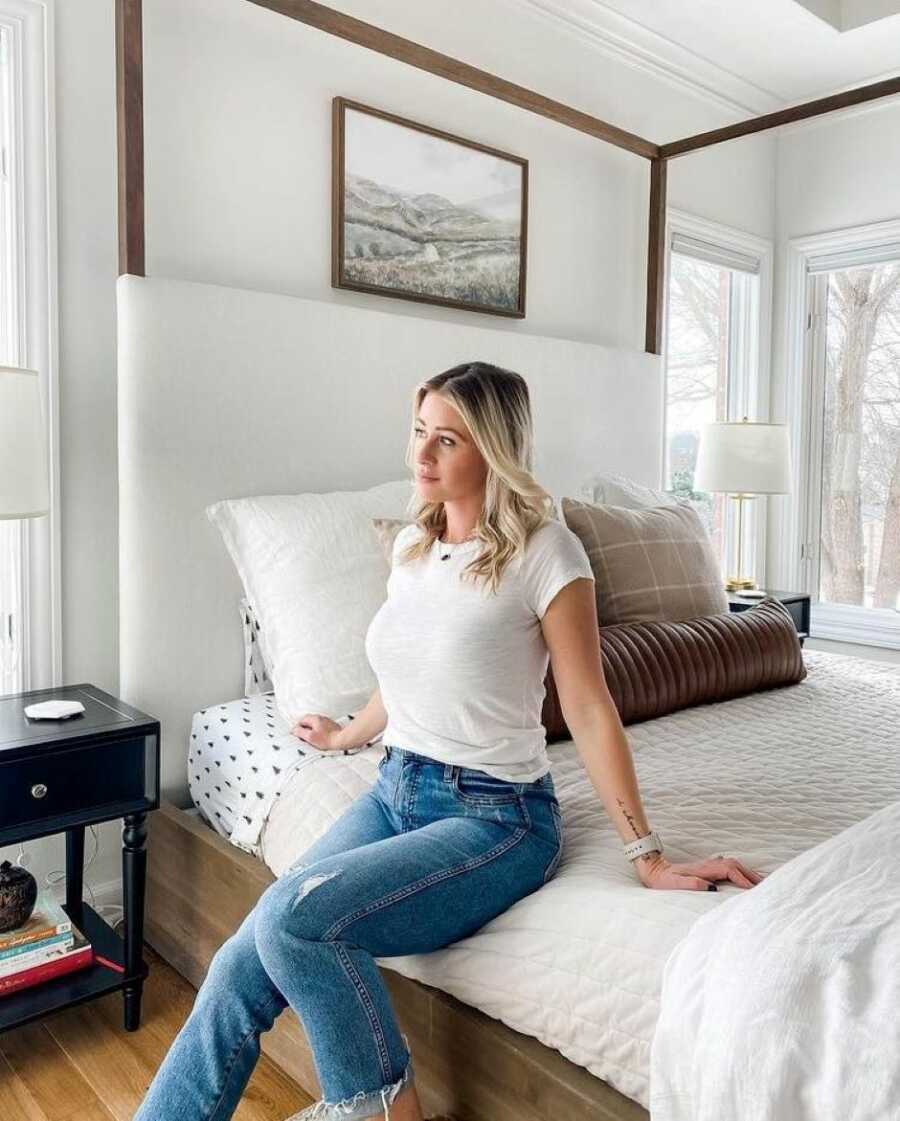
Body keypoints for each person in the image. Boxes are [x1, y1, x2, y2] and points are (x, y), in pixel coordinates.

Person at [134, 361, 764, 1121]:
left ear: (494, 450)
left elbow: (589, 706)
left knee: (293, 920)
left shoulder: (548, 553)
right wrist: (346, 733)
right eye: (418, 432)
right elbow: (403, 672)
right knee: (242, 959)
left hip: (497, 818)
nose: (421, 457)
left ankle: (380, 1106)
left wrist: (648, 854)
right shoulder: (413, 548)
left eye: (447, 440)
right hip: (396, 791)